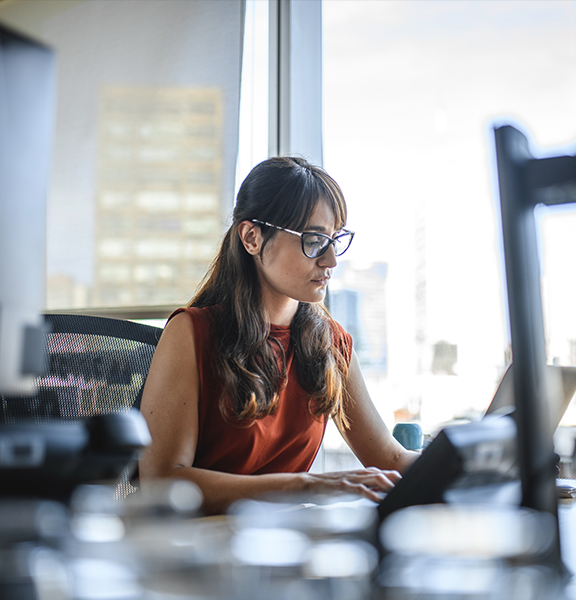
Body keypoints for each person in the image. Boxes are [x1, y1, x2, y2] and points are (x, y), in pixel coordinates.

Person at [139, 156, 420, 514]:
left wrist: (470, 462)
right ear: (252, 237)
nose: (331, 260)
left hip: (281, 548)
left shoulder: (330, 343)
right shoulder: (192, 332)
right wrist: (307, 485)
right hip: (200, 550)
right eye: (315, 240)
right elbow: (162, 480)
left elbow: (390, 458)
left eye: (336, 240)